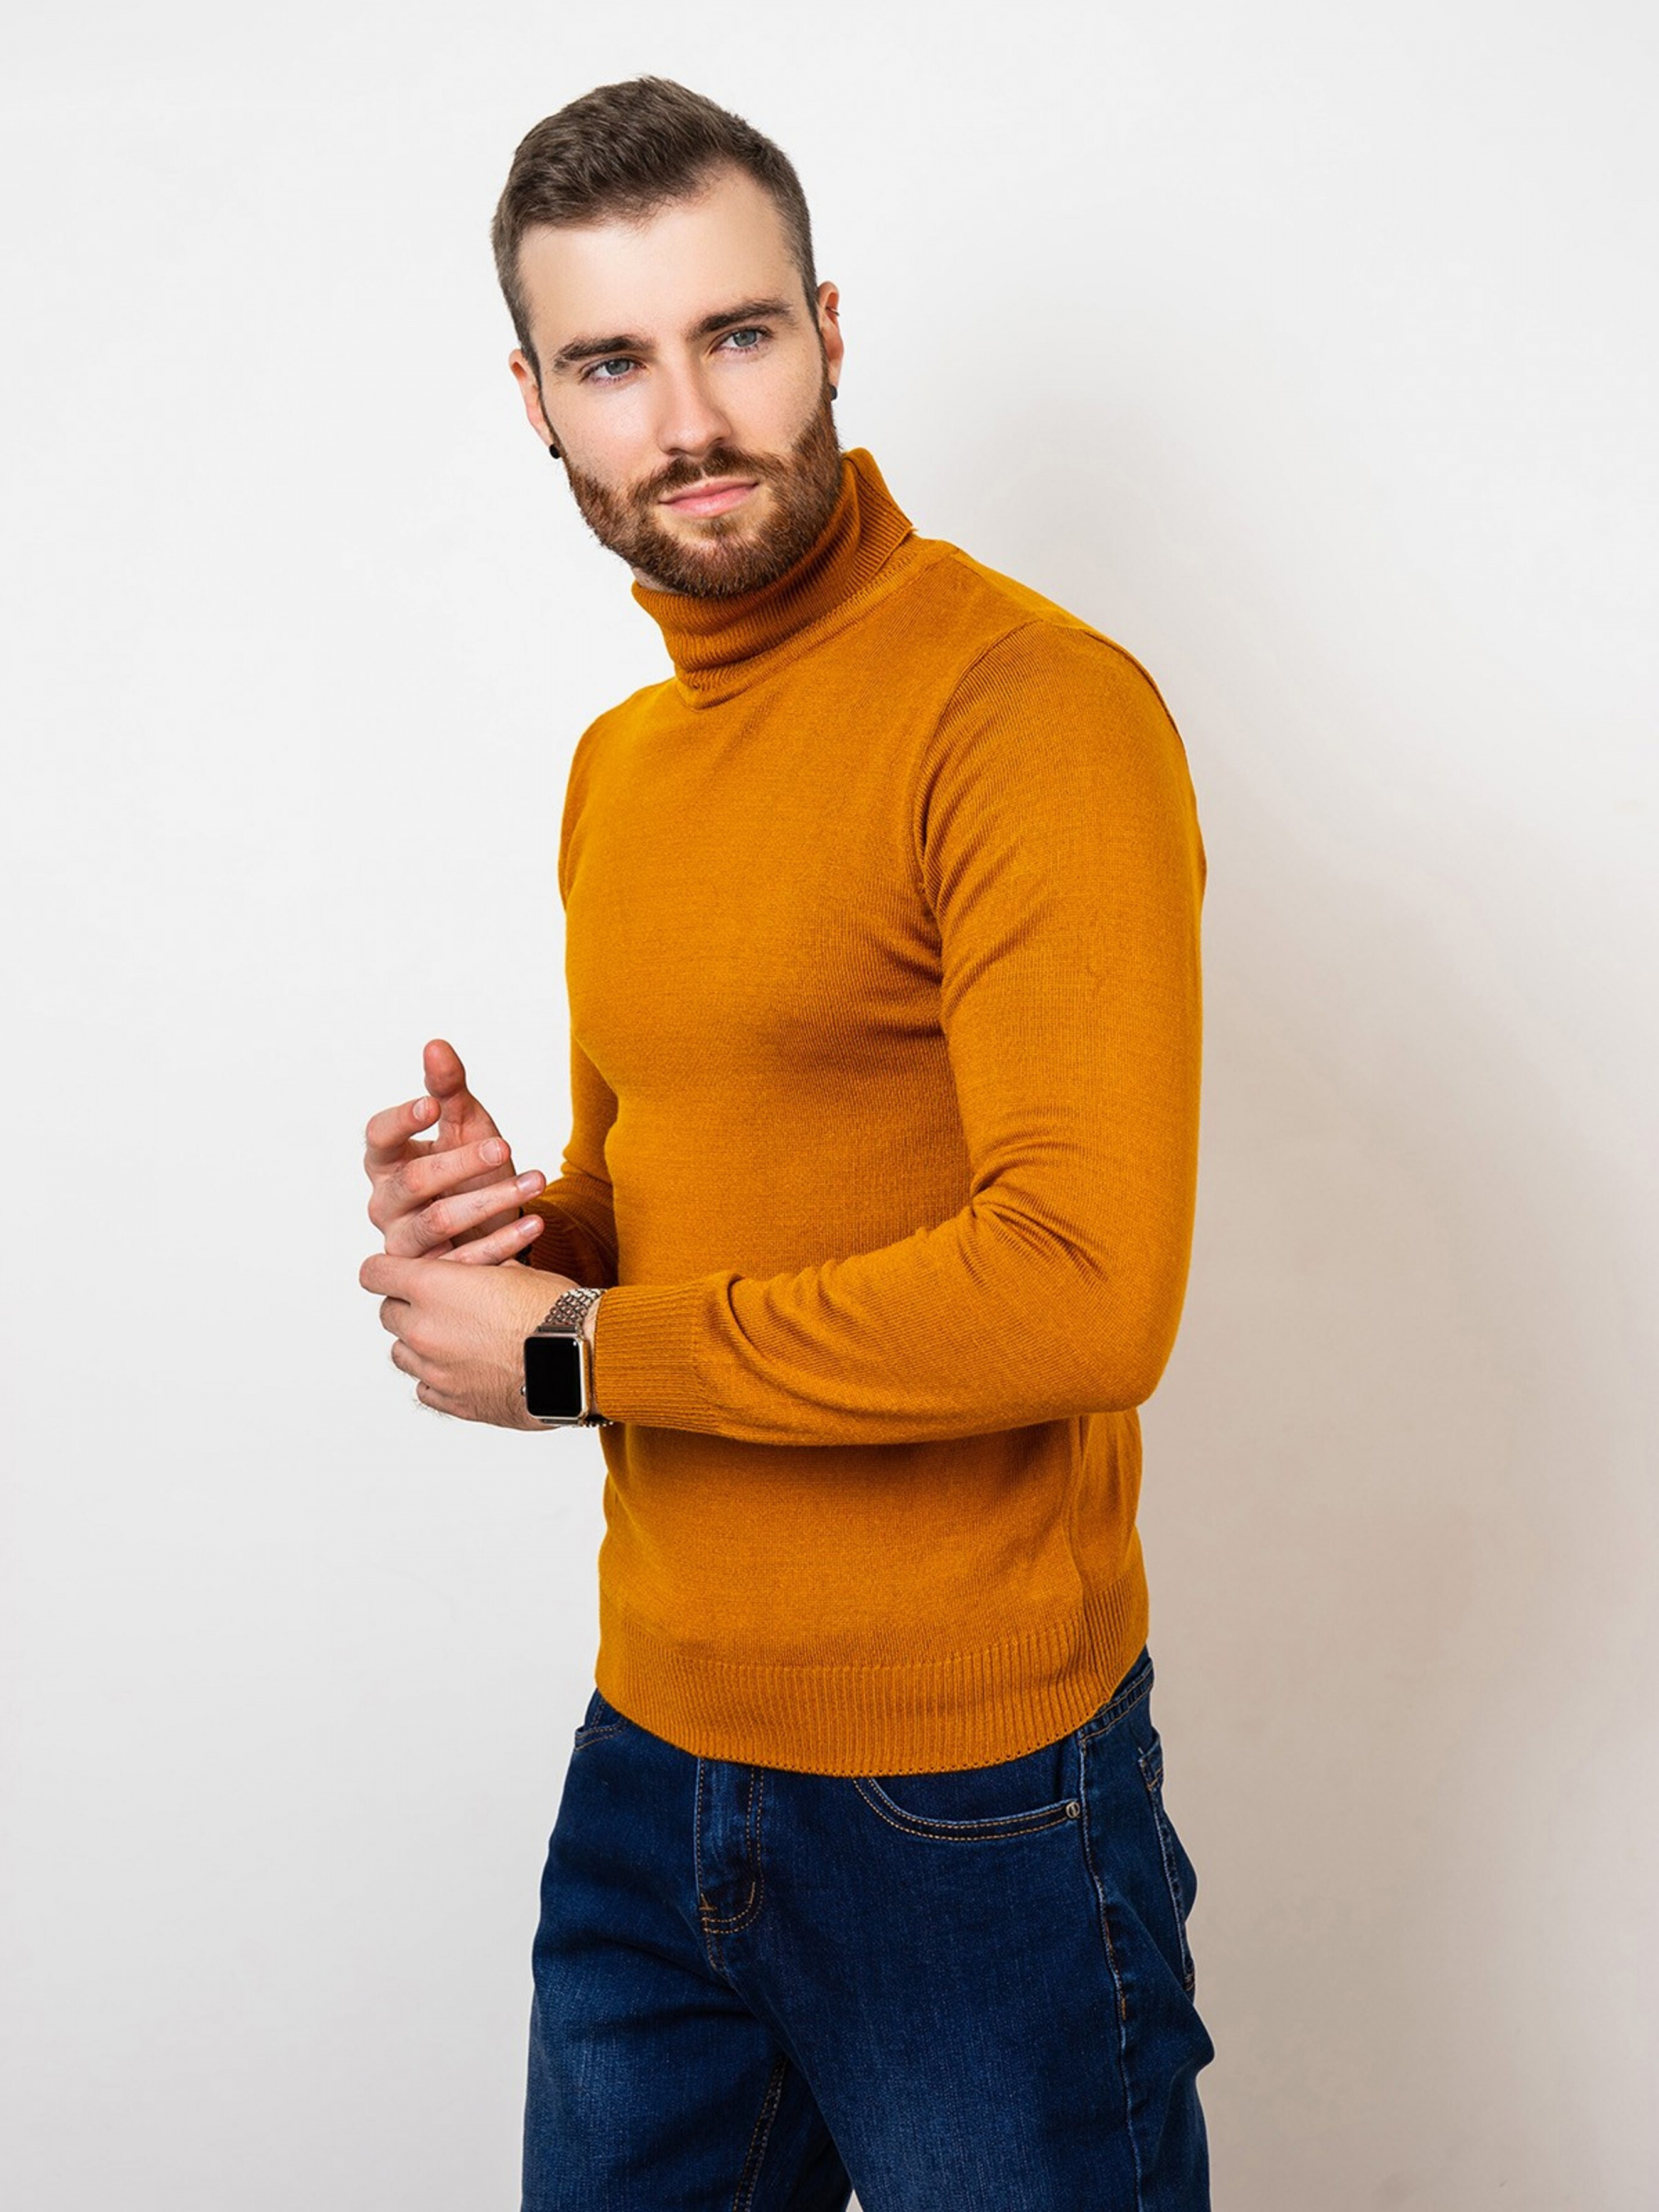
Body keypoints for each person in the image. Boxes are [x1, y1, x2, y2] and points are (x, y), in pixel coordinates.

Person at [359, 73, 1215, 2212]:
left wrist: (575, 1350)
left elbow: (1085, 1291)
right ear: (535, 403)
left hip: (973, 1800)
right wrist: (525, 1236)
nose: (688, 421)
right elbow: (671, 1213)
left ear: (826, 330)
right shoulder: (622, 763)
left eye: (734, 334)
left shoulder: (1026, 709)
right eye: (610, 363)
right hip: (651, 1761)